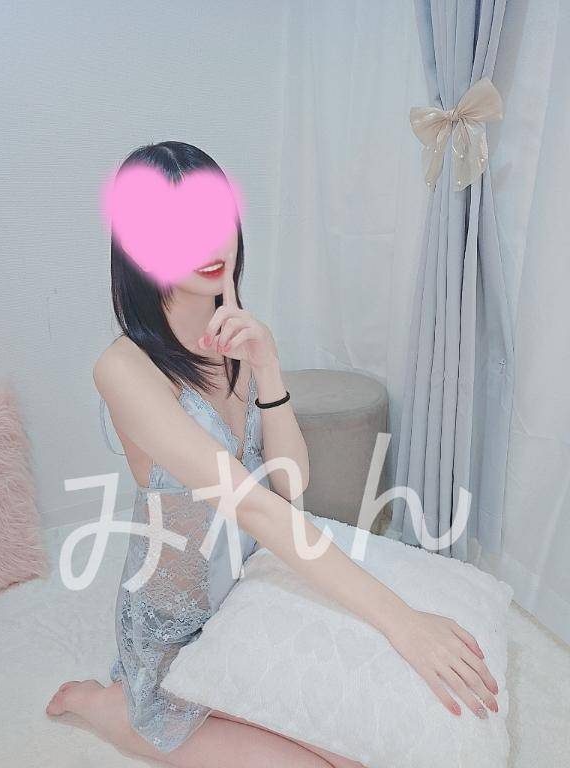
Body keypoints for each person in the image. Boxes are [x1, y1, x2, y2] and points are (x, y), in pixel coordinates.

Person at [46, 141, 499, 768]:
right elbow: (256, 507)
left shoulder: (239, 339)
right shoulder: (123, 369)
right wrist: (401, 620)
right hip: (177, 630)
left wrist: (268, 365)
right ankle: (107, 703)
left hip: (253, 584)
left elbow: (291, 486)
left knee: (364, 748)